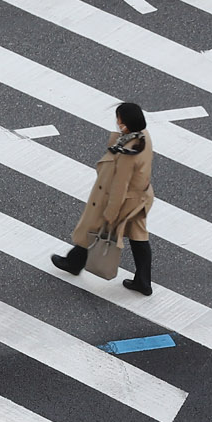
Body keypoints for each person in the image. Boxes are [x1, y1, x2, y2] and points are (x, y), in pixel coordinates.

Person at [52, 103, 157, 295]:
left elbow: (120, 185)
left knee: (94, 227)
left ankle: (73, 263)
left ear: (124, 123)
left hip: (123, 202)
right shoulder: (143, 137)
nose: (117, 122)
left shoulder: (128, 154)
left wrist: (110, 213)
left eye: (119, 119)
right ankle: (143, 281)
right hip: (139, 198)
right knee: (139, 238)